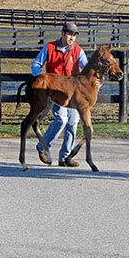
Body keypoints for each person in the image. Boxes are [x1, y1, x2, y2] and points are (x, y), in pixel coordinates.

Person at [32, 22, 88, 167]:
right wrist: (41, 82)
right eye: (69, 34)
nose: (72, 38)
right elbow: (36, 65)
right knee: (61, 120)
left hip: (74, 93)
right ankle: (43, 147)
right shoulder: (49, 47)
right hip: (55, 92)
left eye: (74, 35)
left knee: (73, 122)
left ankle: (65, 157)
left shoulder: (78, 51)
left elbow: (87, 69)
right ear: (62, 34)